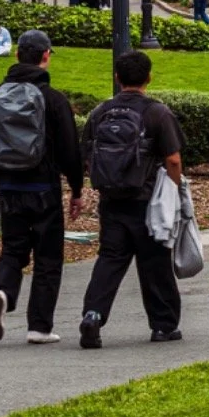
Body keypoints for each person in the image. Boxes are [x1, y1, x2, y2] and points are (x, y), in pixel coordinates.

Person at [0, 29, 85, 344]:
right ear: (46, 56)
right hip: (44, 188)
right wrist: (76, 189)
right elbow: (70, 150)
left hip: (9, 187)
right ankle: (39, 326)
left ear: (16, 55)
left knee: (12, 249)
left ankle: (2, 291)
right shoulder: (54, 99)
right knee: (48, 258)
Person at [75, 51, 186, 349]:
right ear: (149, 77)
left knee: (110, 259)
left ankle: (93, 314)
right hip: (147, 200)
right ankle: (163, 325)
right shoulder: (157, 113)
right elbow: (173, 159)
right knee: (154, 261)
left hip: (111, 200)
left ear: (117, 77)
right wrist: (173, 190)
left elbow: (87, 154)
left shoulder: (100, 112)